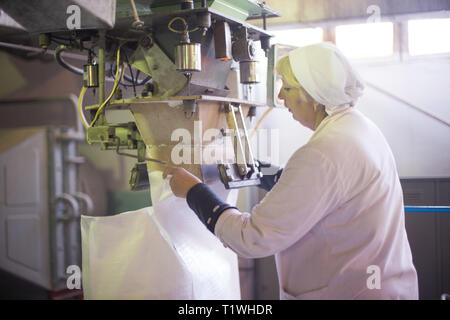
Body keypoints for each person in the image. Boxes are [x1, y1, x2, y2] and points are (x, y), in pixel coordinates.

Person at [163, 42, 419, 300]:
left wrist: (193, 191)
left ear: (312, 94)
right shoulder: (359, 128)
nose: (282, 98)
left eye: (286, 87)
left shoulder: (323, 152)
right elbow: (322, 190)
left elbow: (250, 237)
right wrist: (254, 168)